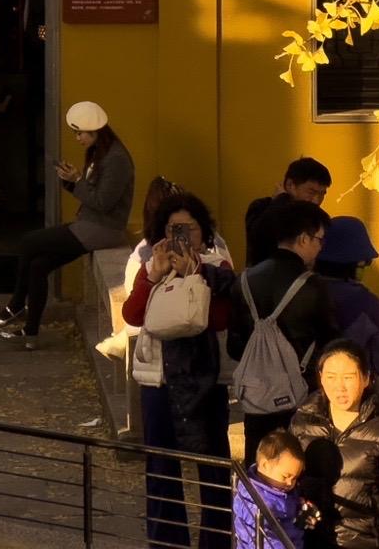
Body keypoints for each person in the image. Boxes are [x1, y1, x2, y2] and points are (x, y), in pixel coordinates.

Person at [122, 188, 234, 549]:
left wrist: (195, 274)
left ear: (205, 233)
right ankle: (167, 542)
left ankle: (215, 541)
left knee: (213, 467)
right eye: (174, 230)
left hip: (207, 381)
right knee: (161, 468)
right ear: (162, 234)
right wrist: (154, 275)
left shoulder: (218, 268)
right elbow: (132, 315)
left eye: (190, 229)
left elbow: (220, 319)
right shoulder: (149, 267)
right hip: (159, 380)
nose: (182, 237)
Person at [0, 101, 135, 348]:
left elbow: (103, 202)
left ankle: (15, 304)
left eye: (80, 133)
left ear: (95, 131)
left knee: (28, 242)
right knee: (38, 265)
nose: (77, 138)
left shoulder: (116, 159)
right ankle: (30, 333)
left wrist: (76, 180)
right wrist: (71, 181)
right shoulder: (100, 153)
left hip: (104, 230)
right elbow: (91, 193)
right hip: (89, 225)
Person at [225, 197, 339, 461]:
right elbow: (331, 344)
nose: (320, 248)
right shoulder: (313, 286)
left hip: (256, 400)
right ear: (303, 238)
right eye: (319, 240)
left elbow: (235, 346)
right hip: (302, 397)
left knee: (261, 470)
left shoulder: (243, 281)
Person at [291, 339, 379, 549]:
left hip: (367, 541)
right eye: (331, 377)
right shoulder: (303, 422)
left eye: (348, 377)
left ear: (366, 378)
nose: (339, 387)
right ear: (321, 378)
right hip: (310, 540)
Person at [316, 219, 379, 383]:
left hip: (297, 389)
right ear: (357, 262)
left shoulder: (300, 289)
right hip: (348, 390)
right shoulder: (364, 301)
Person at [234, 430, 316, 549]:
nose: (290, 483)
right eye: (285, 476)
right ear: (265, 465)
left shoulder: (283, 490)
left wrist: (303, 513)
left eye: (295, 478)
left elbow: (292, 512)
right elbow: (260, 538)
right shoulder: (252, 499)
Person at [246, 158, 332, 267]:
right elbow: (258, 238)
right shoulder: (262, 206)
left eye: (322, 194)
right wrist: (281, 200)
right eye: (311, 192)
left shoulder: (317, 217)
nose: (316, 200)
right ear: (290, 185)